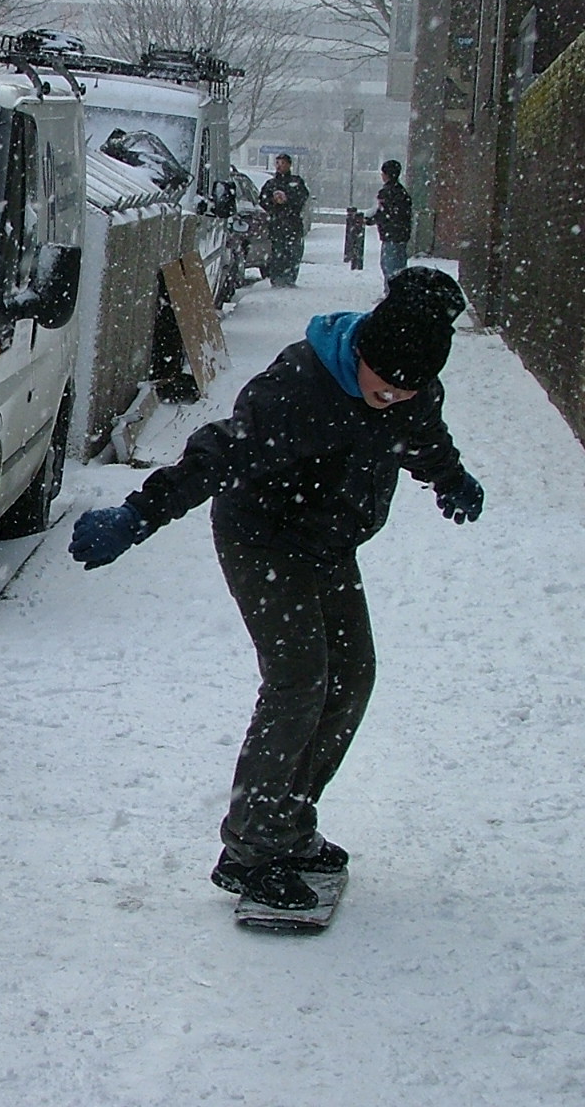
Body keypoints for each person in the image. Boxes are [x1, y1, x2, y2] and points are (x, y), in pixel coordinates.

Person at [67, 266, 484, 911]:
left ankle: (288, 822)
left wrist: (450, 478)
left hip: (328, 542)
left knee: (353, 677)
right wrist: (140, 514)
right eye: (386, 387)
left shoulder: (412, 393)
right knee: (299, 680)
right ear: (365, 352)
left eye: (411, 390)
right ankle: (250, 849)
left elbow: (421, 438)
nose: (396, 399)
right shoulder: (298, 387)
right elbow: (215, 454)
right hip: (262, 535)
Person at [257, 152, 310, 287]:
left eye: (283, 163)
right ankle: (277, 280)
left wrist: (288, 199)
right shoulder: (271, 184)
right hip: (277, 225)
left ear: (289, 165)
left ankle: (290, 279)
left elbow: (302, 197)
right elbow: (262, 201)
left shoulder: (296, 182)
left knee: (293, 253)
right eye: (278, 163)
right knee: (277, 253)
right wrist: (273, 201)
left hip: (293, 224)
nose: (279, 166)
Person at [369, 159, 413, 284]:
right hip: (402, 234)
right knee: (399, 266)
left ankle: (391, 294)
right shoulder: (402, 192)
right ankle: (400, 292)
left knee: (389, 266)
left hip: (391, 234)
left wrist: (369, 220)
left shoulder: (386, 192)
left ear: (386, 174)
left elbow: (383, 213)